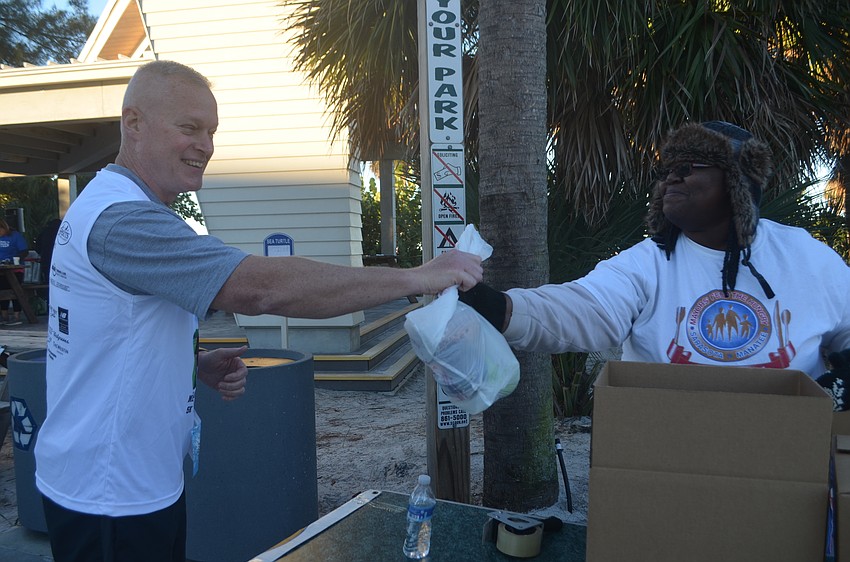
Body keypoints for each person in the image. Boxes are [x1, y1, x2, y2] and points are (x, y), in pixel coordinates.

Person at [34, 60, 483, 562]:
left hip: (117, 481)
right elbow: (260, 290)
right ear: (133, 123)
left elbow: (109, 333)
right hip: (111, 497)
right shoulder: (125, 222)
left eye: (211, 131)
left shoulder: (111, 204)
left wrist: (190, 366)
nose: (205, 145)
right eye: (189, 127)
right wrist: (417, 277)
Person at [461, 121, 850, 398]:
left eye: (688, 168)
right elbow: (581, 309)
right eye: (667, 170)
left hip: (787, 448)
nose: (671, 179)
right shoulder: (647, 263)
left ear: (737, 184)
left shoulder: (808, 258)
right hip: (667, 443)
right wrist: (497, 305)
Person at [0, 217, 29, 325]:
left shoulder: (15, 235)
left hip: (15, 269)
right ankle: (4, 315)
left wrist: (15, 259)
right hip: (2, 269)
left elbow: (24, 251)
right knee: (2, 289)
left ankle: (17, 316)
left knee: (15, 290)